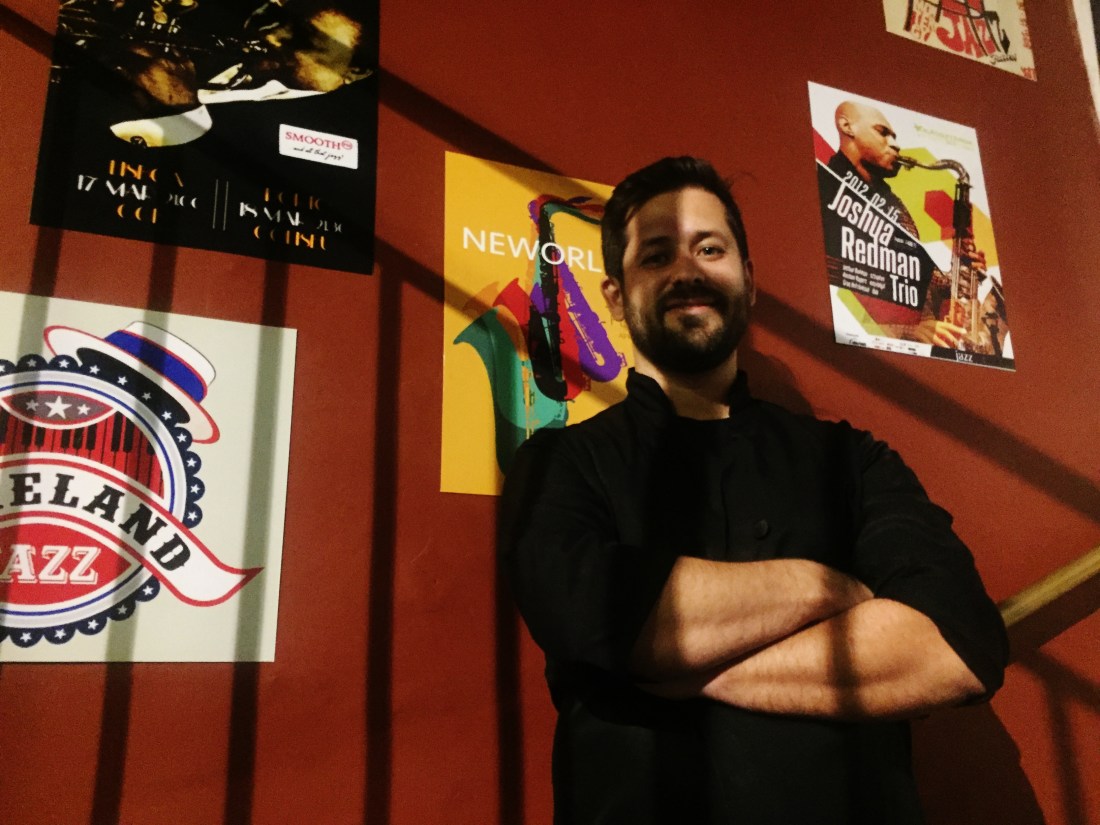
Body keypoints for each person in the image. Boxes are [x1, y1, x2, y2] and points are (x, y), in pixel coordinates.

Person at [499, 156, 1008, 824]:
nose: (687, 271)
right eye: (657, 255)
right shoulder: (559, 462)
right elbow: (596, 612)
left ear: (749, 280)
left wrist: (686, 672)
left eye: (710, 249)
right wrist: (822, 588)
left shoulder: (853, 460)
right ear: (616, 298)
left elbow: (957, 644)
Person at [827, 101, 1008, 352]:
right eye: (883, 132)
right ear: (847, 126)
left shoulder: (893, 202)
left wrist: (963, 270)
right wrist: (908, 330)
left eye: (894, 136)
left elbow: (924, 283)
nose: (895, 144)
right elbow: (841, 294)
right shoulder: (827, 191)